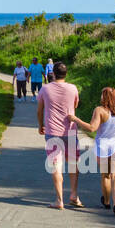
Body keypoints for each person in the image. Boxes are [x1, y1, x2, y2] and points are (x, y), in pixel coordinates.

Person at [72, 87, 115, 216]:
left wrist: (76, 119)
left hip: (103, 148)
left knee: (106, 176)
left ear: (104, 97)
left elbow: (92, 128)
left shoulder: (100, 110)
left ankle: (107, 202)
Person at [36, 61, 81, 209]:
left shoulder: (45, 89)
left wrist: (40, 125)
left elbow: (40, 110)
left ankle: (59, 200)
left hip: (52, 132)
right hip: (70, 131)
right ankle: (74, 195)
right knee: (73, 163)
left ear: (53, 74)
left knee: (56, 166)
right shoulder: (73, 88)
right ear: (66, 74)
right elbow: (75, 105)